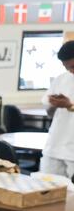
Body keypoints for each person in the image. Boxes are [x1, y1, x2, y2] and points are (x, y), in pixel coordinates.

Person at [40, 40, 74, 178]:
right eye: (67, 68)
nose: (71, 71)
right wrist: (53, 105)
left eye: (72, 66)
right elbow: (49, 113)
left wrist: (69, 105)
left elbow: (70, 106)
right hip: (54, 146)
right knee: (47, 189)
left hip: (72, 149)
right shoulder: (61, 79)